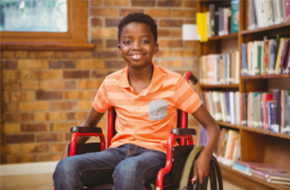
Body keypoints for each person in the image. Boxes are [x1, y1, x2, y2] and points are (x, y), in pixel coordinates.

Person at [53, 12, 220, 190]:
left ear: (155, 47)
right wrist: (66, 153)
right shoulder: (111, 83)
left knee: (128, 168)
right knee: (66, 167)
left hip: (156, 154)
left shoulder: (175, 83)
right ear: (120, 48)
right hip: (117, 152)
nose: (136, 47)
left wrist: (205, 156)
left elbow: (212, 127)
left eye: (145, 41)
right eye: (128, 42)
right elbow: (89, 124)